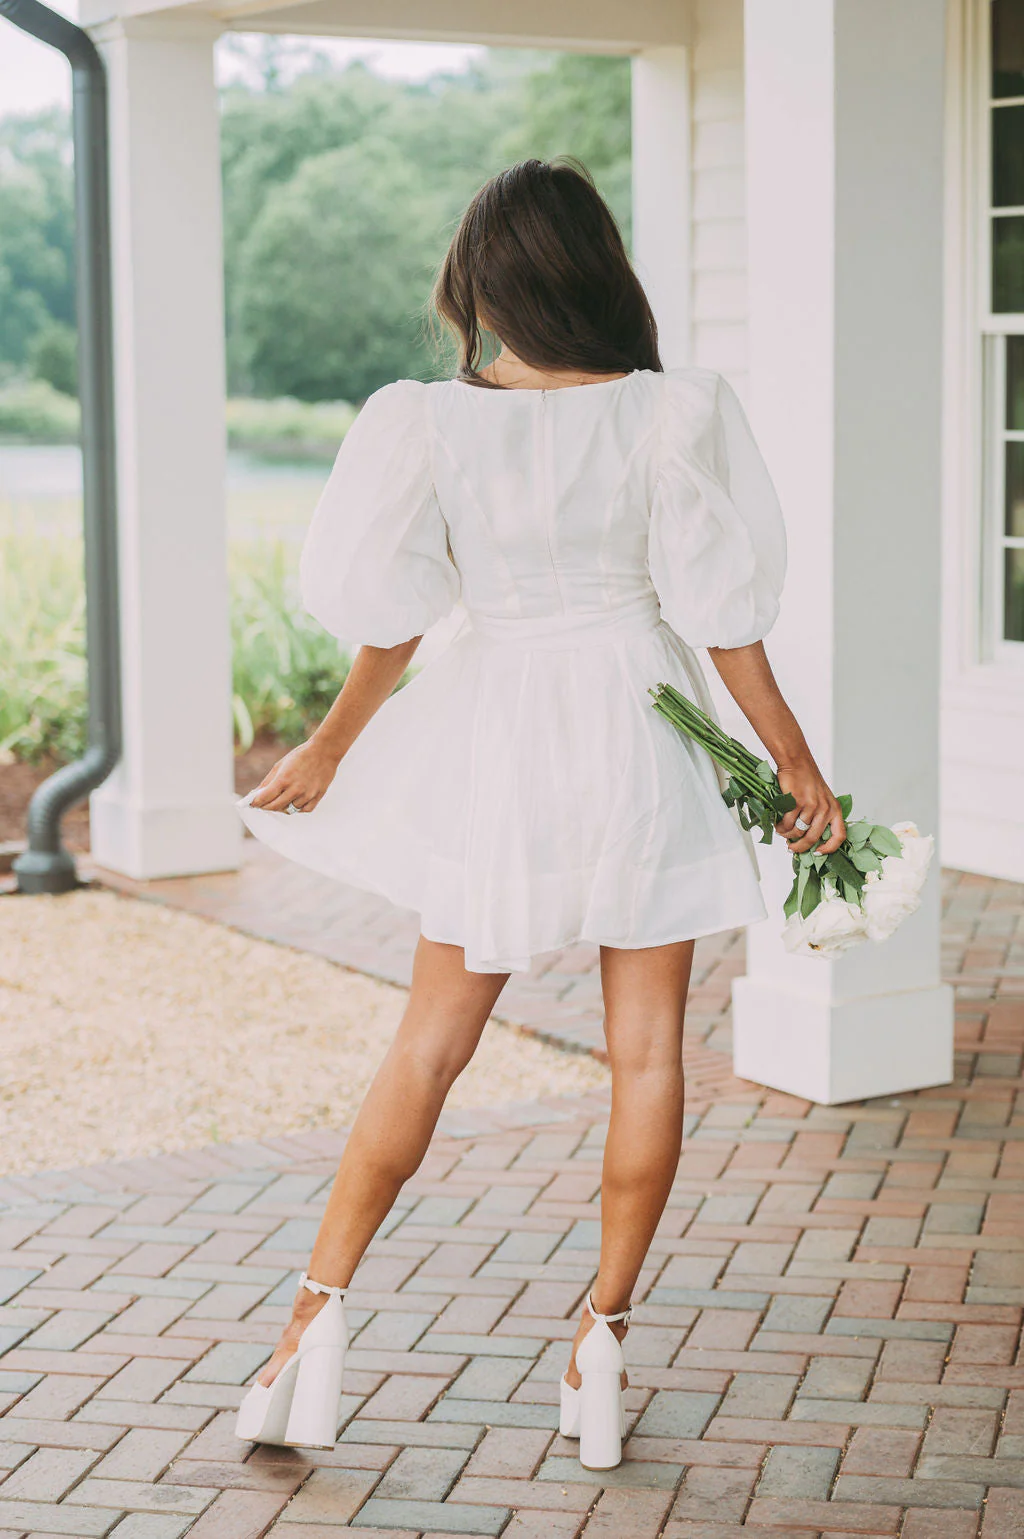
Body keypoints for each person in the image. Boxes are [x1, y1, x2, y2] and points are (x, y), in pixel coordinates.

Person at [233, 157, 845, 1471]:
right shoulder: (673, 415)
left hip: (499, 734)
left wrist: (331, 746)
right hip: (636, 722)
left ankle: (309, 1328)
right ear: (595, 272)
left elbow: (393, 619)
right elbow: (721, 618)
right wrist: (796, 760)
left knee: (426, 1048)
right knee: (648, 1054)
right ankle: (602, 1340)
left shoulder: (428, 422)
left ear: (485, 284)